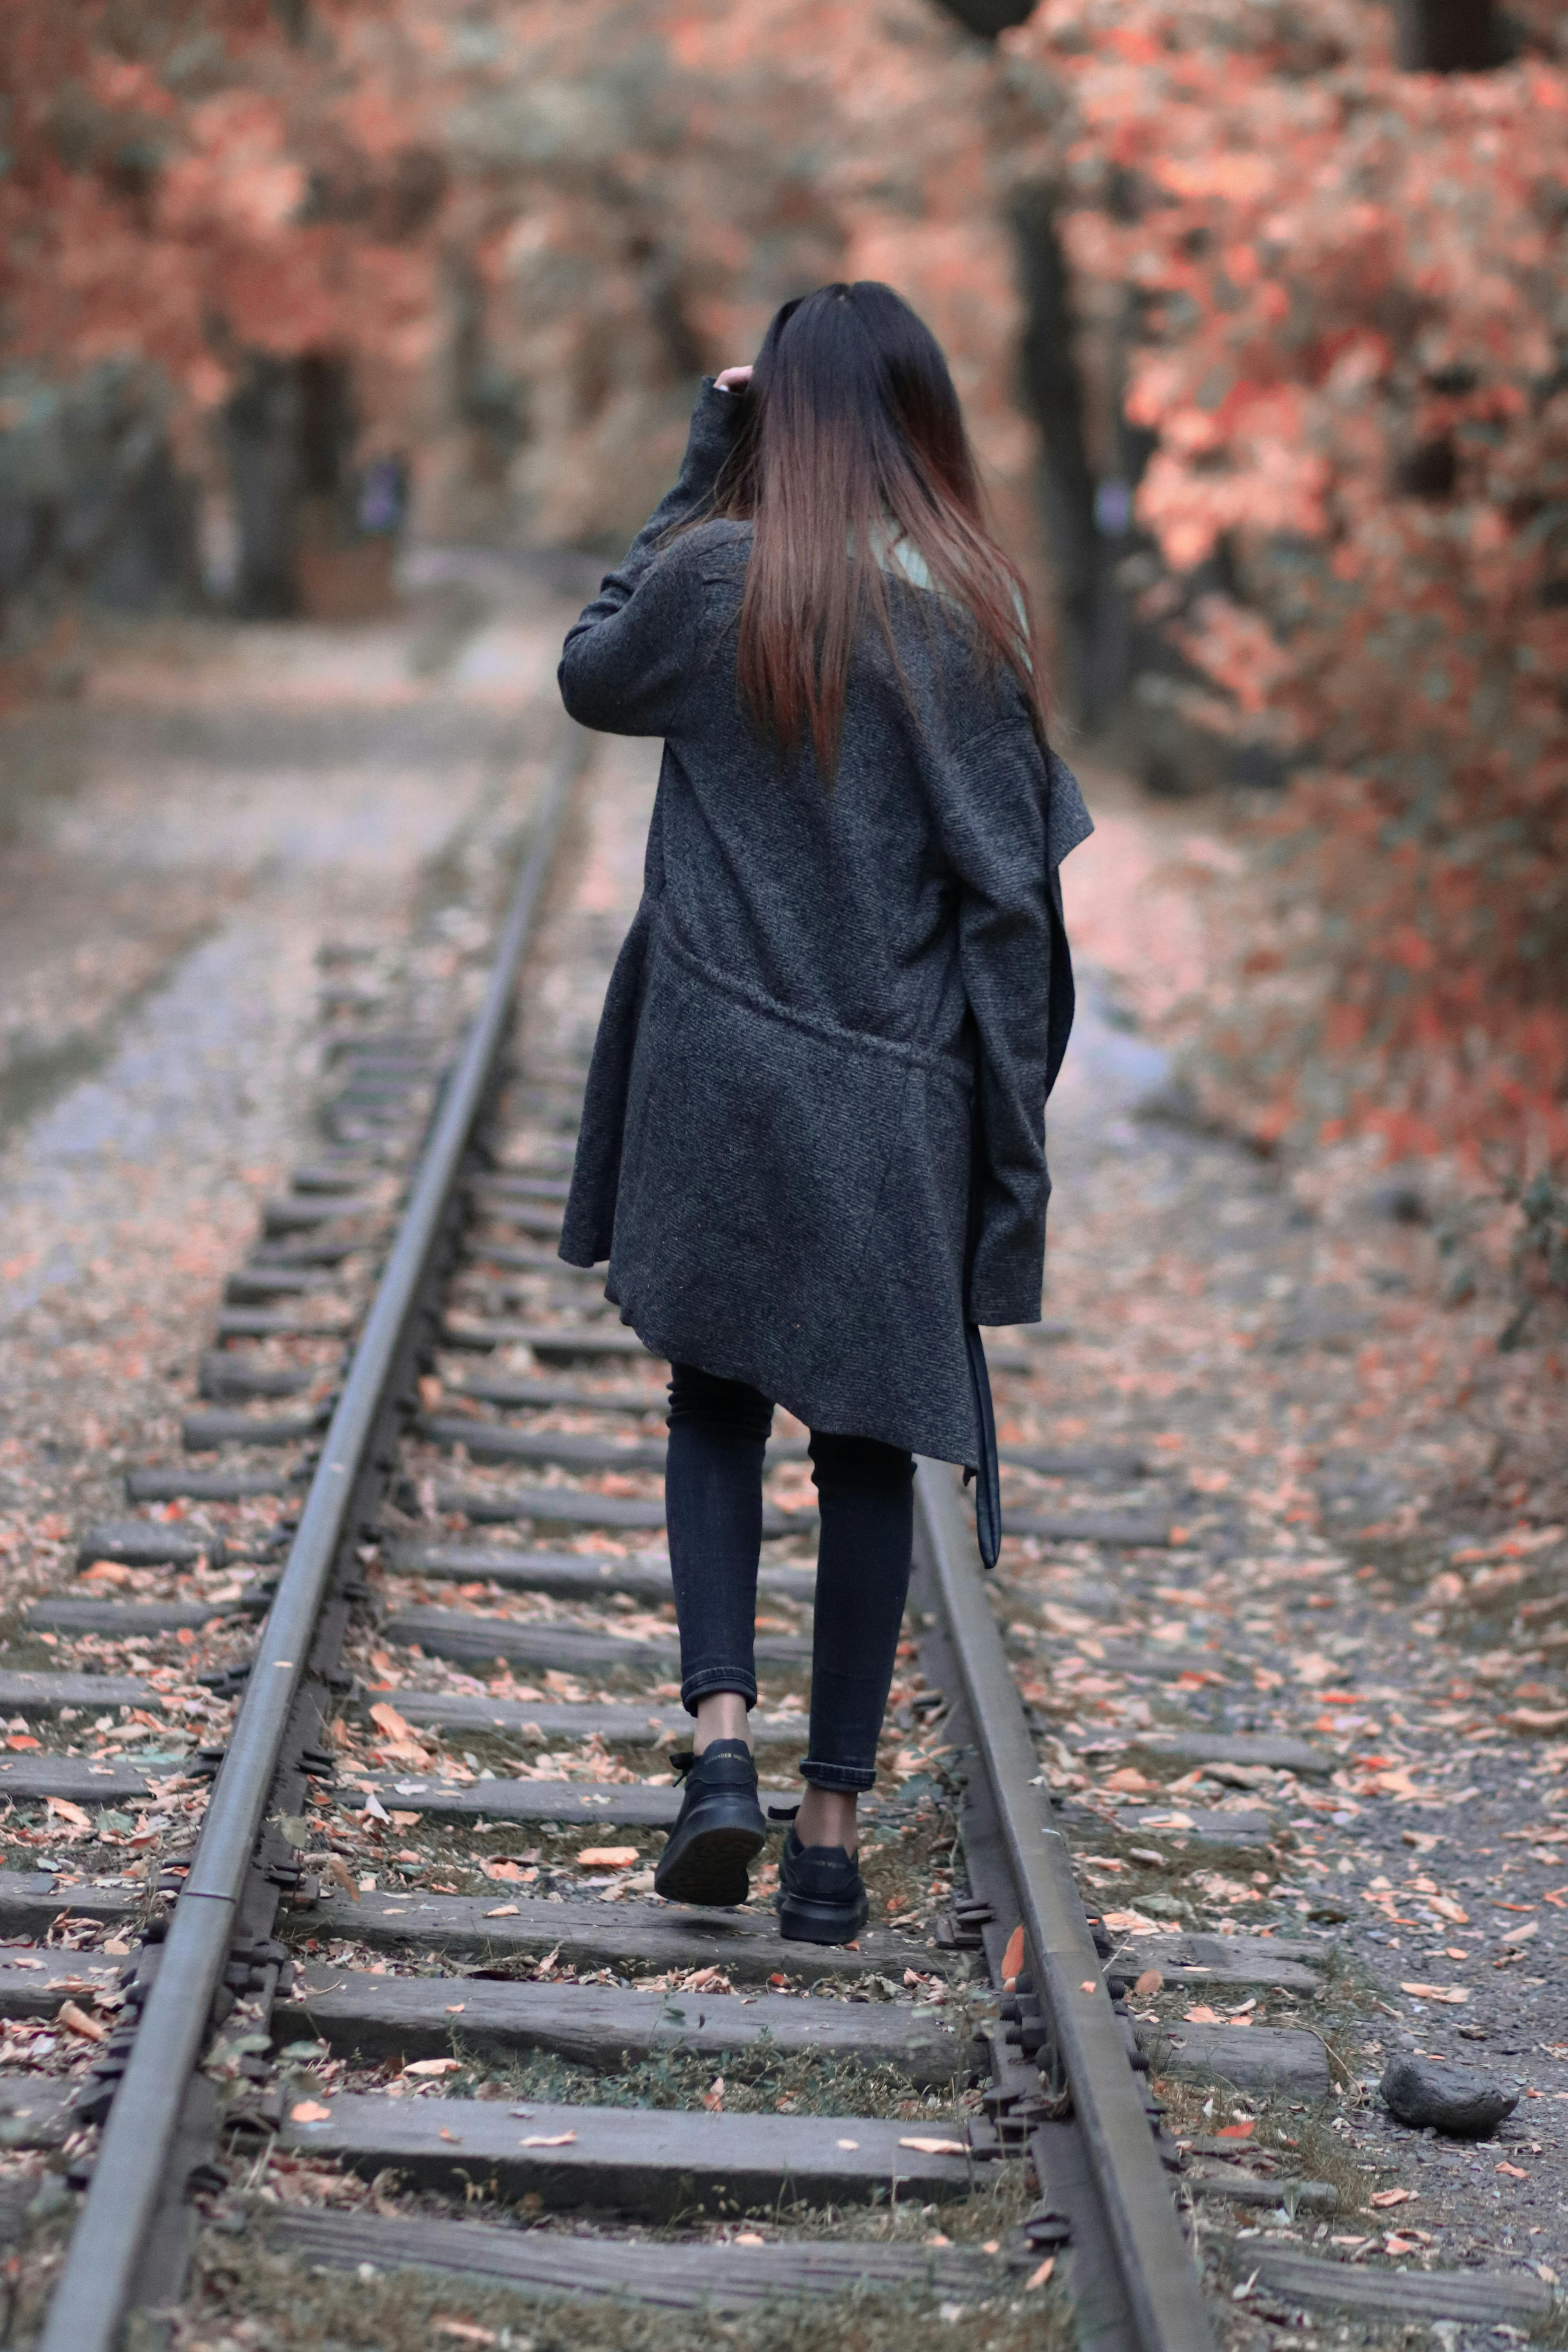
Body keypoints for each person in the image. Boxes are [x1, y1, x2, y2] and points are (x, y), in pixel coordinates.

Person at [557, 281, 1091, 1944]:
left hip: (717, 1067)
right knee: (866, 1454)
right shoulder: (974, 615)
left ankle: (719, 1756)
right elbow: (1011, 911)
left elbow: (589, 668)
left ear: (774, 418)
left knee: (711, 1405)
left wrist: (701, 463)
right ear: (922, 419)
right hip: (892, 1094)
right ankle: (832, 1845)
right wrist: (1008, 1145)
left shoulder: (719, 580)